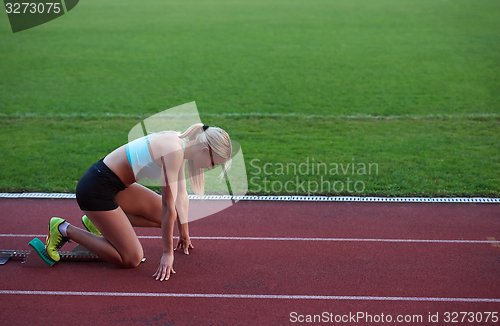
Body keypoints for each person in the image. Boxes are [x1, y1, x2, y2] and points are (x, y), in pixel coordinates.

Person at [44, 123, 232, 281]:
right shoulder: (174, 150)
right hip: (95, 190)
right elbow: (169, 205)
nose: (210, 167)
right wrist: (167, 253)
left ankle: (98, 223)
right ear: (205, 150)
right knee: (131, 258)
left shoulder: (181, 145)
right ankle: (62, 228)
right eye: (213, 163)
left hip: (115, 187)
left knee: (163, 217)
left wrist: (184, 233)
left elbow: (181, 196)